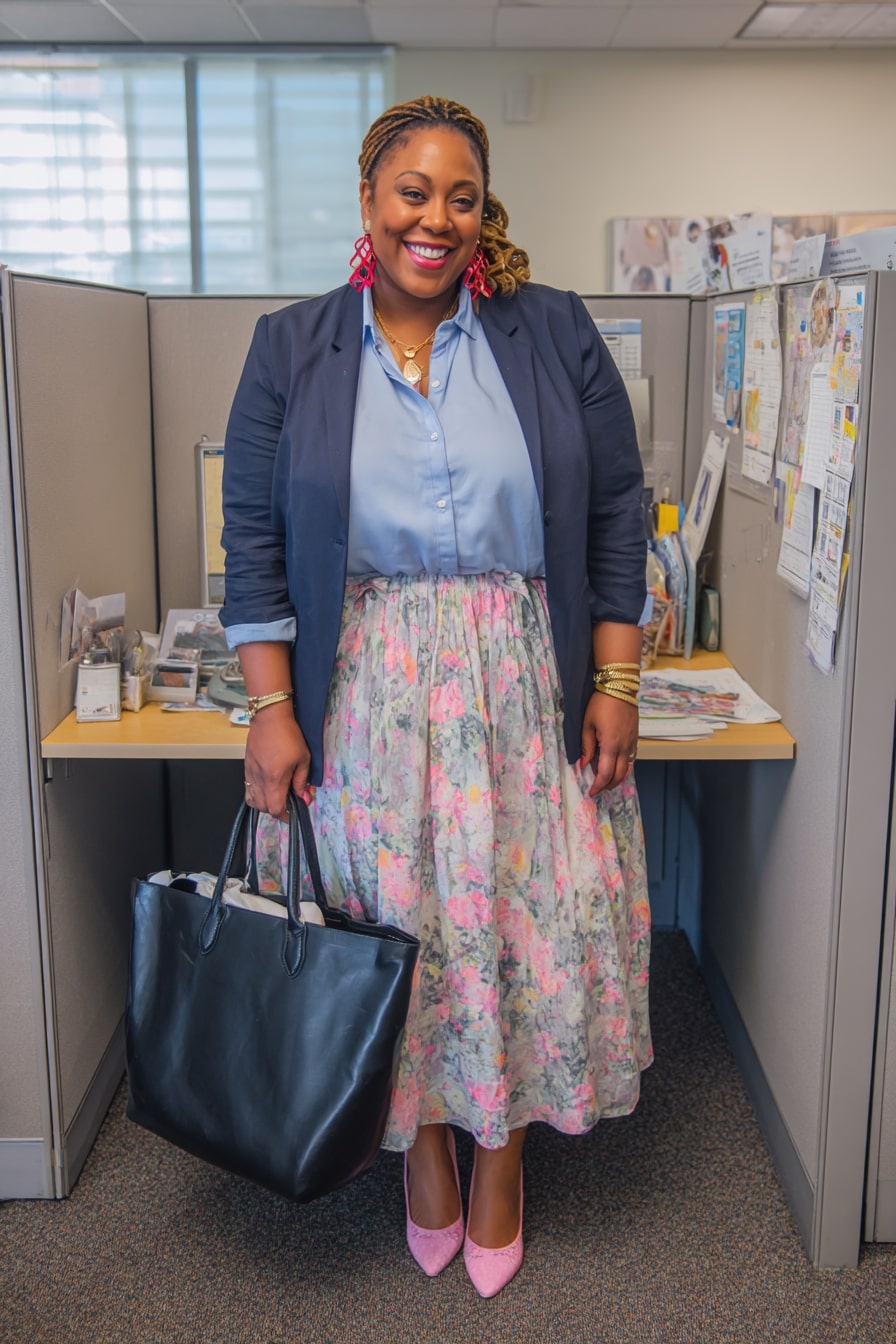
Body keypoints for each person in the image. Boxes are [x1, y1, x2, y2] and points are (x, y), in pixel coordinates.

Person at [220, 95, 652, 1299]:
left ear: (482, 213)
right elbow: (250, 542)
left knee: (515, 925)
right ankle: (423, 1156)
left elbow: (619, 511)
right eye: (412, 191)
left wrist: (616, 678)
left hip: (522, 677)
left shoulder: (548, 330)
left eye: (460, 196)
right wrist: (268, 708)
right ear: (368, 201)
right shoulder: (292, 347)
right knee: (402, 928)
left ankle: (503, 1152)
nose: (436, 217)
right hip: (368, 690)